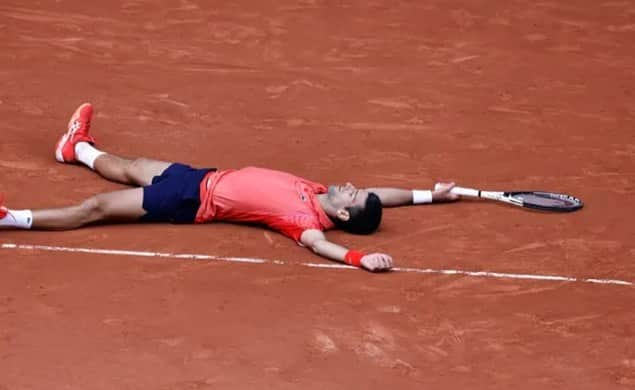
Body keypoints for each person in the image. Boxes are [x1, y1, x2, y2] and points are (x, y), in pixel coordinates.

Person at [0, 103, 459, 272]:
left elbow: (323, 249)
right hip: (200, 175)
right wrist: (429, 195)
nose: (353, 185)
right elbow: (384, 194)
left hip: (185, 200)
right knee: (131, 164)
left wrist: (361, 258)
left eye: (353, 196)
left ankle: (13, 219)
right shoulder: (319, 190)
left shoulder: (304, 220)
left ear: (341, 215)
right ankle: (75, 148)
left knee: (96, 207)